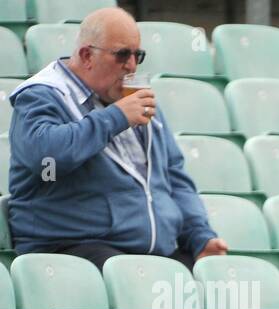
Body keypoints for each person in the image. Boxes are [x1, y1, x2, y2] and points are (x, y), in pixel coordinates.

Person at [7, 7, 227, 269]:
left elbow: (174, 177)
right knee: (138, 283)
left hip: (151, 252)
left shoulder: (137, 100)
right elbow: (45, 160)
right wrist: (115, 118)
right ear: (87, 55)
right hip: (71, 247)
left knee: (219, 280)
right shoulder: (43, 95)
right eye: (122, 55)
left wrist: (199, 236)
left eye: (138, 55)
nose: (132, 65)